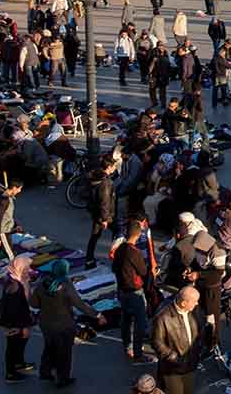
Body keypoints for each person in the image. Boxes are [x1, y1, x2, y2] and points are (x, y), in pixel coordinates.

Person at [30, 259, 103, 387]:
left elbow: (34, 304)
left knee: (49, 347)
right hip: (64, 325)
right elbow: (80, 304)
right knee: (64, 352)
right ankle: (62, 378)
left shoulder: (42, 284)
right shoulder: (66, 285)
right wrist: (97, 315)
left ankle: (45, 372)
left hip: (46, 324)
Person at [114, 221, 156, 364]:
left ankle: (127, 346)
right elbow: (143, 271)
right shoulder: (134, 252)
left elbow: (114, 268)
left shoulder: (120, 249)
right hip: (134, 291)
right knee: (140, 322)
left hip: (122, 290)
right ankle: (138, 353)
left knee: (125, 319)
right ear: (138, 235)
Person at [0, 256, 35, 383]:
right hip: (15, 322)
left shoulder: (18, 279)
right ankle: (11, 373)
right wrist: (20, 326)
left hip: (21, 318)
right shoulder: (14, 285)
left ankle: (19, 363)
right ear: (20, 267)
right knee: (13, 346)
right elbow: (14, 309)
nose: (29, 270)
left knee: (20, 342)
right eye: (26, 267)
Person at [84, 154, 119, 268]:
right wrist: (105, 219)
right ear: (109, 167)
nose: (115, 168)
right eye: (114, 166)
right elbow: (104, 201)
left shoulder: (96, 177)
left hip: (96, 212)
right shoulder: (105, 182)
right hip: (105, 215)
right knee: (117, 232)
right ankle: (116, 256)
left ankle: (89, 258)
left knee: (94, 236)